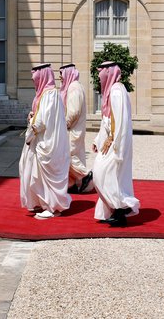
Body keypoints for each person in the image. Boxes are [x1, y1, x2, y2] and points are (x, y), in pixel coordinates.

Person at [19, 63, 72, 219]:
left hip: (46, 143)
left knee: (44, 174)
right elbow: (39, 116)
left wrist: (29, 132)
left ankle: (53, 207)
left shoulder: (50, 95)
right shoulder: (45, 95)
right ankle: (42, 202)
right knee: (31, 172)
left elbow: (41, 122)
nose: (33, 80)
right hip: (40, 142)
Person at [91, 61, 140, 227]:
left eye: (102, 71)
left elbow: (120, 121)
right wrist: (98, 140)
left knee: (101, 172)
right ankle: (115, 210)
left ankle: (122, 207)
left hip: (115, 142)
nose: (99, 75)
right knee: (107, 175)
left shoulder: (117, 90)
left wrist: (114, 140)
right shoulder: (111, 90)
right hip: (110, 141)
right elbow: (107, 119)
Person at [59, 63, 92, 194]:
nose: (60, 77)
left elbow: (73, 112)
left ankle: (85, 176)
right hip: (73, 130)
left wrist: (63, 125)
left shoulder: (73, 87)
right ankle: (71, 184)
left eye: (61, 74)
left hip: (72, 130)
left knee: (67, 156)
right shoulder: (73, 87)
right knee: (72, 156)